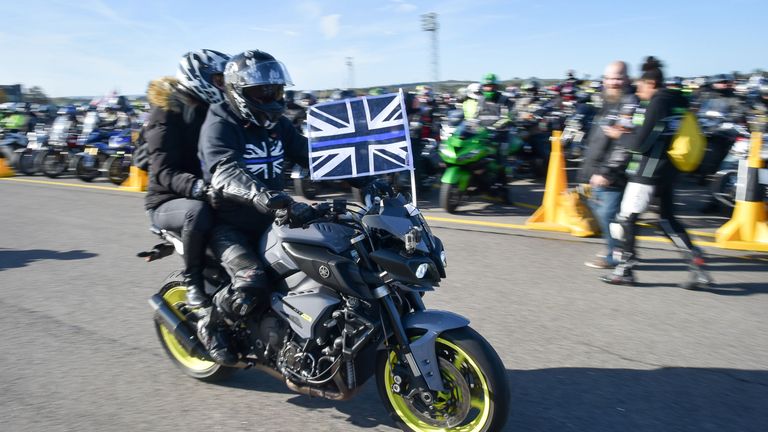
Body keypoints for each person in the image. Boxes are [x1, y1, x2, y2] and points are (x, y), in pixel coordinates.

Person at [601, 56, 712, 289]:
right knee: (667, 220)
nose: (638, 91)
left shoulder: (658, 103)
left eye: (640, 86)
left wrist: (618, 135)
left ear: (650, 83)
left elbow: (641, 143)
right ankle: (697, 264)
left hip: (647, 170)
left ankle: (625, 270)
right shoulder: (677, 101)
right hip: (668, 170)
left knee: (626, 219)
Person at [144, 49, 230, 307]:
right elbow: (163, 171)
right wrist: (198, 187)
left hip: (210, 190)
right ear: (197, 76)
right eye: (218, 80)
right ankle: (193, 282)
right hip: (167, 200)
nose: (223, 86)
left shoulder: (212, 110)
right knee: (197, 212)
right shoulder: (166, 112)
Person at [578, 61, 638, 269]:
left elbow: (623, 144)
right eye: (609, 78)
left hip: (612, 172)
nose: (613, 82)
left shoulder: (629, 103)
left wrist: (607, 171)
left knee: (608, 215)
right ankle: (623, 250)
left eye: (618, 77)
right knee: (600, 209)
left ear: (627, 79)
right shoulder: (607, 101)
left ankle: (615, 255)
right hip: (595, 168)